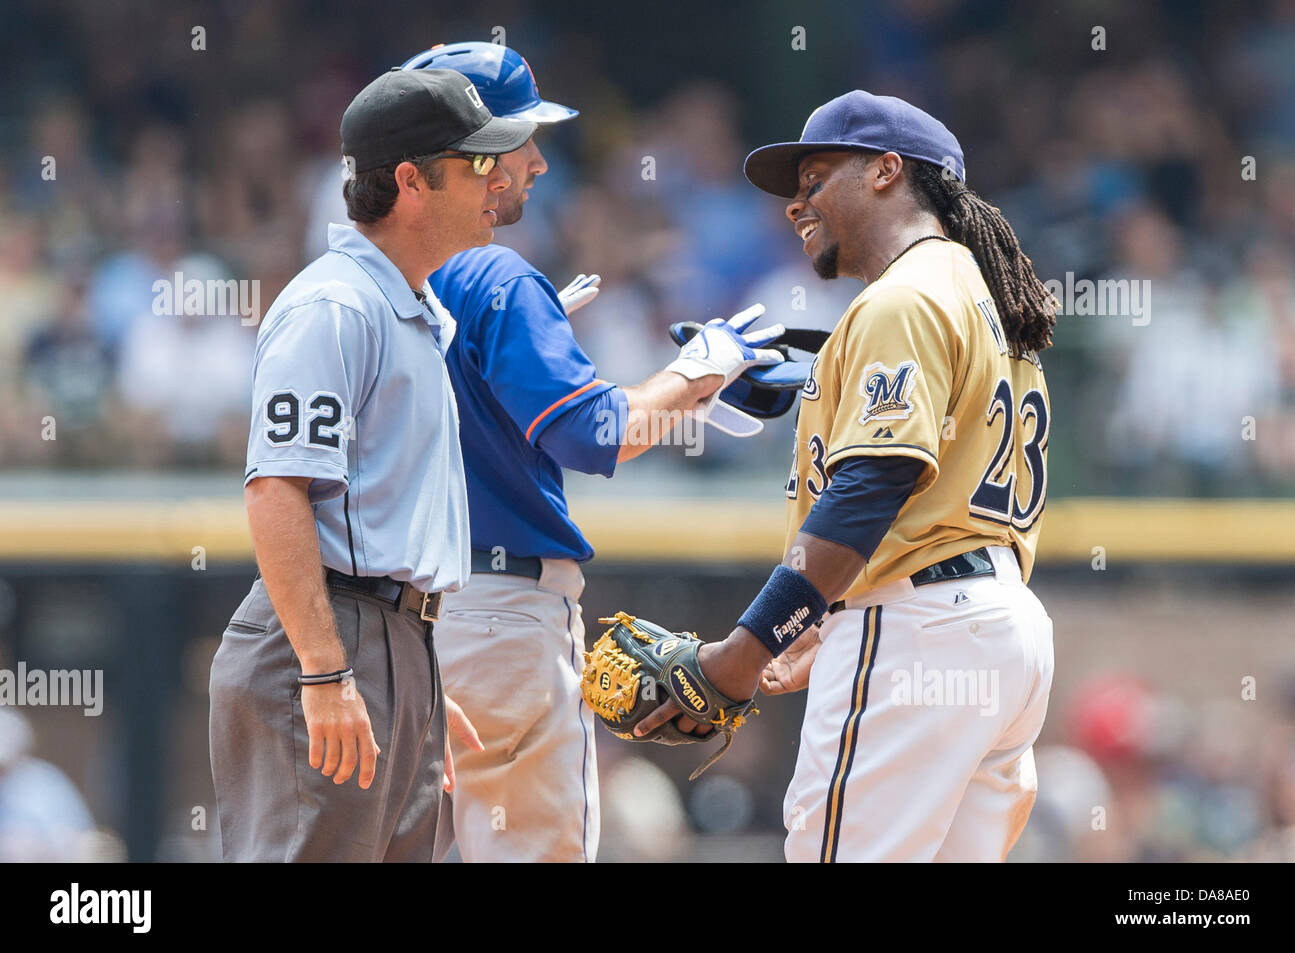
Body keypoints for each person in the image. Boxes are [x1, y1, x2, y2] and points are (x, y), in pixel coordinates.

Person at [635, 91, 1059, 862]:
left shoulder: (901, 297)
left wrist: (744, 652)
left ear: (887, 171)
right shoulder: (980, 297)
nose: (797, 202)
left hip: (917, 629)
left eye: (817, 174)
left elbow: (872, 483)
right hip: (999, 631)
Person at [410, 42, 783, 862]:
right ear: (467, 158)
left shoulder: (369, 285)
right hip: (500, 618)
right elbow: (595, 434)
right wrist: (694, 371)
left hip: (394, 627)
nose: (538, 163)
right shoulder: (496, 278)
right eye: (518, 142)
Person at [208, 68, 535, 862]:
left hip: (395, 641)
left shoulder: (413, 307)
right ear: (412, 181)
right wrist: (326, 673)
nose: (497, 179)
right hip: (324, 637)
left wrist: (415, 681)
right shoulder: (337, 305)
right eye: (477, 164)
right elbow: (277, 491)